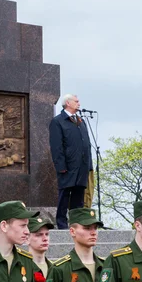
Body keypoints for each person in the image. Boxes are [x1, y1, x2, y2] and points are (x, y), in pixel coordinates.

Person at [49, 94, 93, 229]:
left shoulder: (81, 121)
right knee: (65, 195)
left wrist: (89, 165)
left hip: (82, 166)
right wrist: (61, 166)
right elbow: (56, 146)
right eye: (76, 101)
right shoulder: (58, 121)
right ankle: (62, 224)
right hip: (68, 166)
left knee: (79, 196)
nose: (79, 103)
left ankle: (76, 223)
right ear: (68, 103)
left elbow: (87, 144)